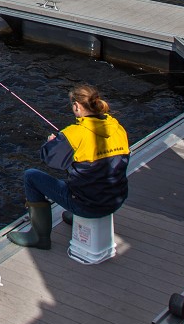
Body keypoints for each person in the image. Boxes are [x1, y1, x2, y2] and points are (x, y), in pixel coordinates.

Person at [9, 84, 130, 249]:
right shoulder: (117, 127)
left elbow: (48, 158)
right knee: (89, 172)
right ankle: (77, 215)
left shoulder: (73, 134)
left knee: (31, 176)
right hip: (116, 199)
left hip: (88, 205)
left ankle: (39, 237)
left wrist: (52, 143)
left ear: (77, 106)